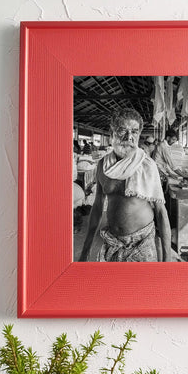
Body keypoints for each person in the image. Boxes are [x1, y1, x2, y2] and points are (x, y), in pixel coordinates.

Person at [78, 108, 172, 262]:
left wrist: (167, 260)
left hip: (142, 243)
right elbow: (97, 207)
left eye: (134, 132)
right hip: (112, 241)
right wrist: (85, 250)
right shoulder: (104, 165)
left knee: (142, 286)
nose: (129, 137)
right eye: (123, 130)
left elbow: (161, 212)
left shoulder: (147, 165)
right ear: (112, 132)